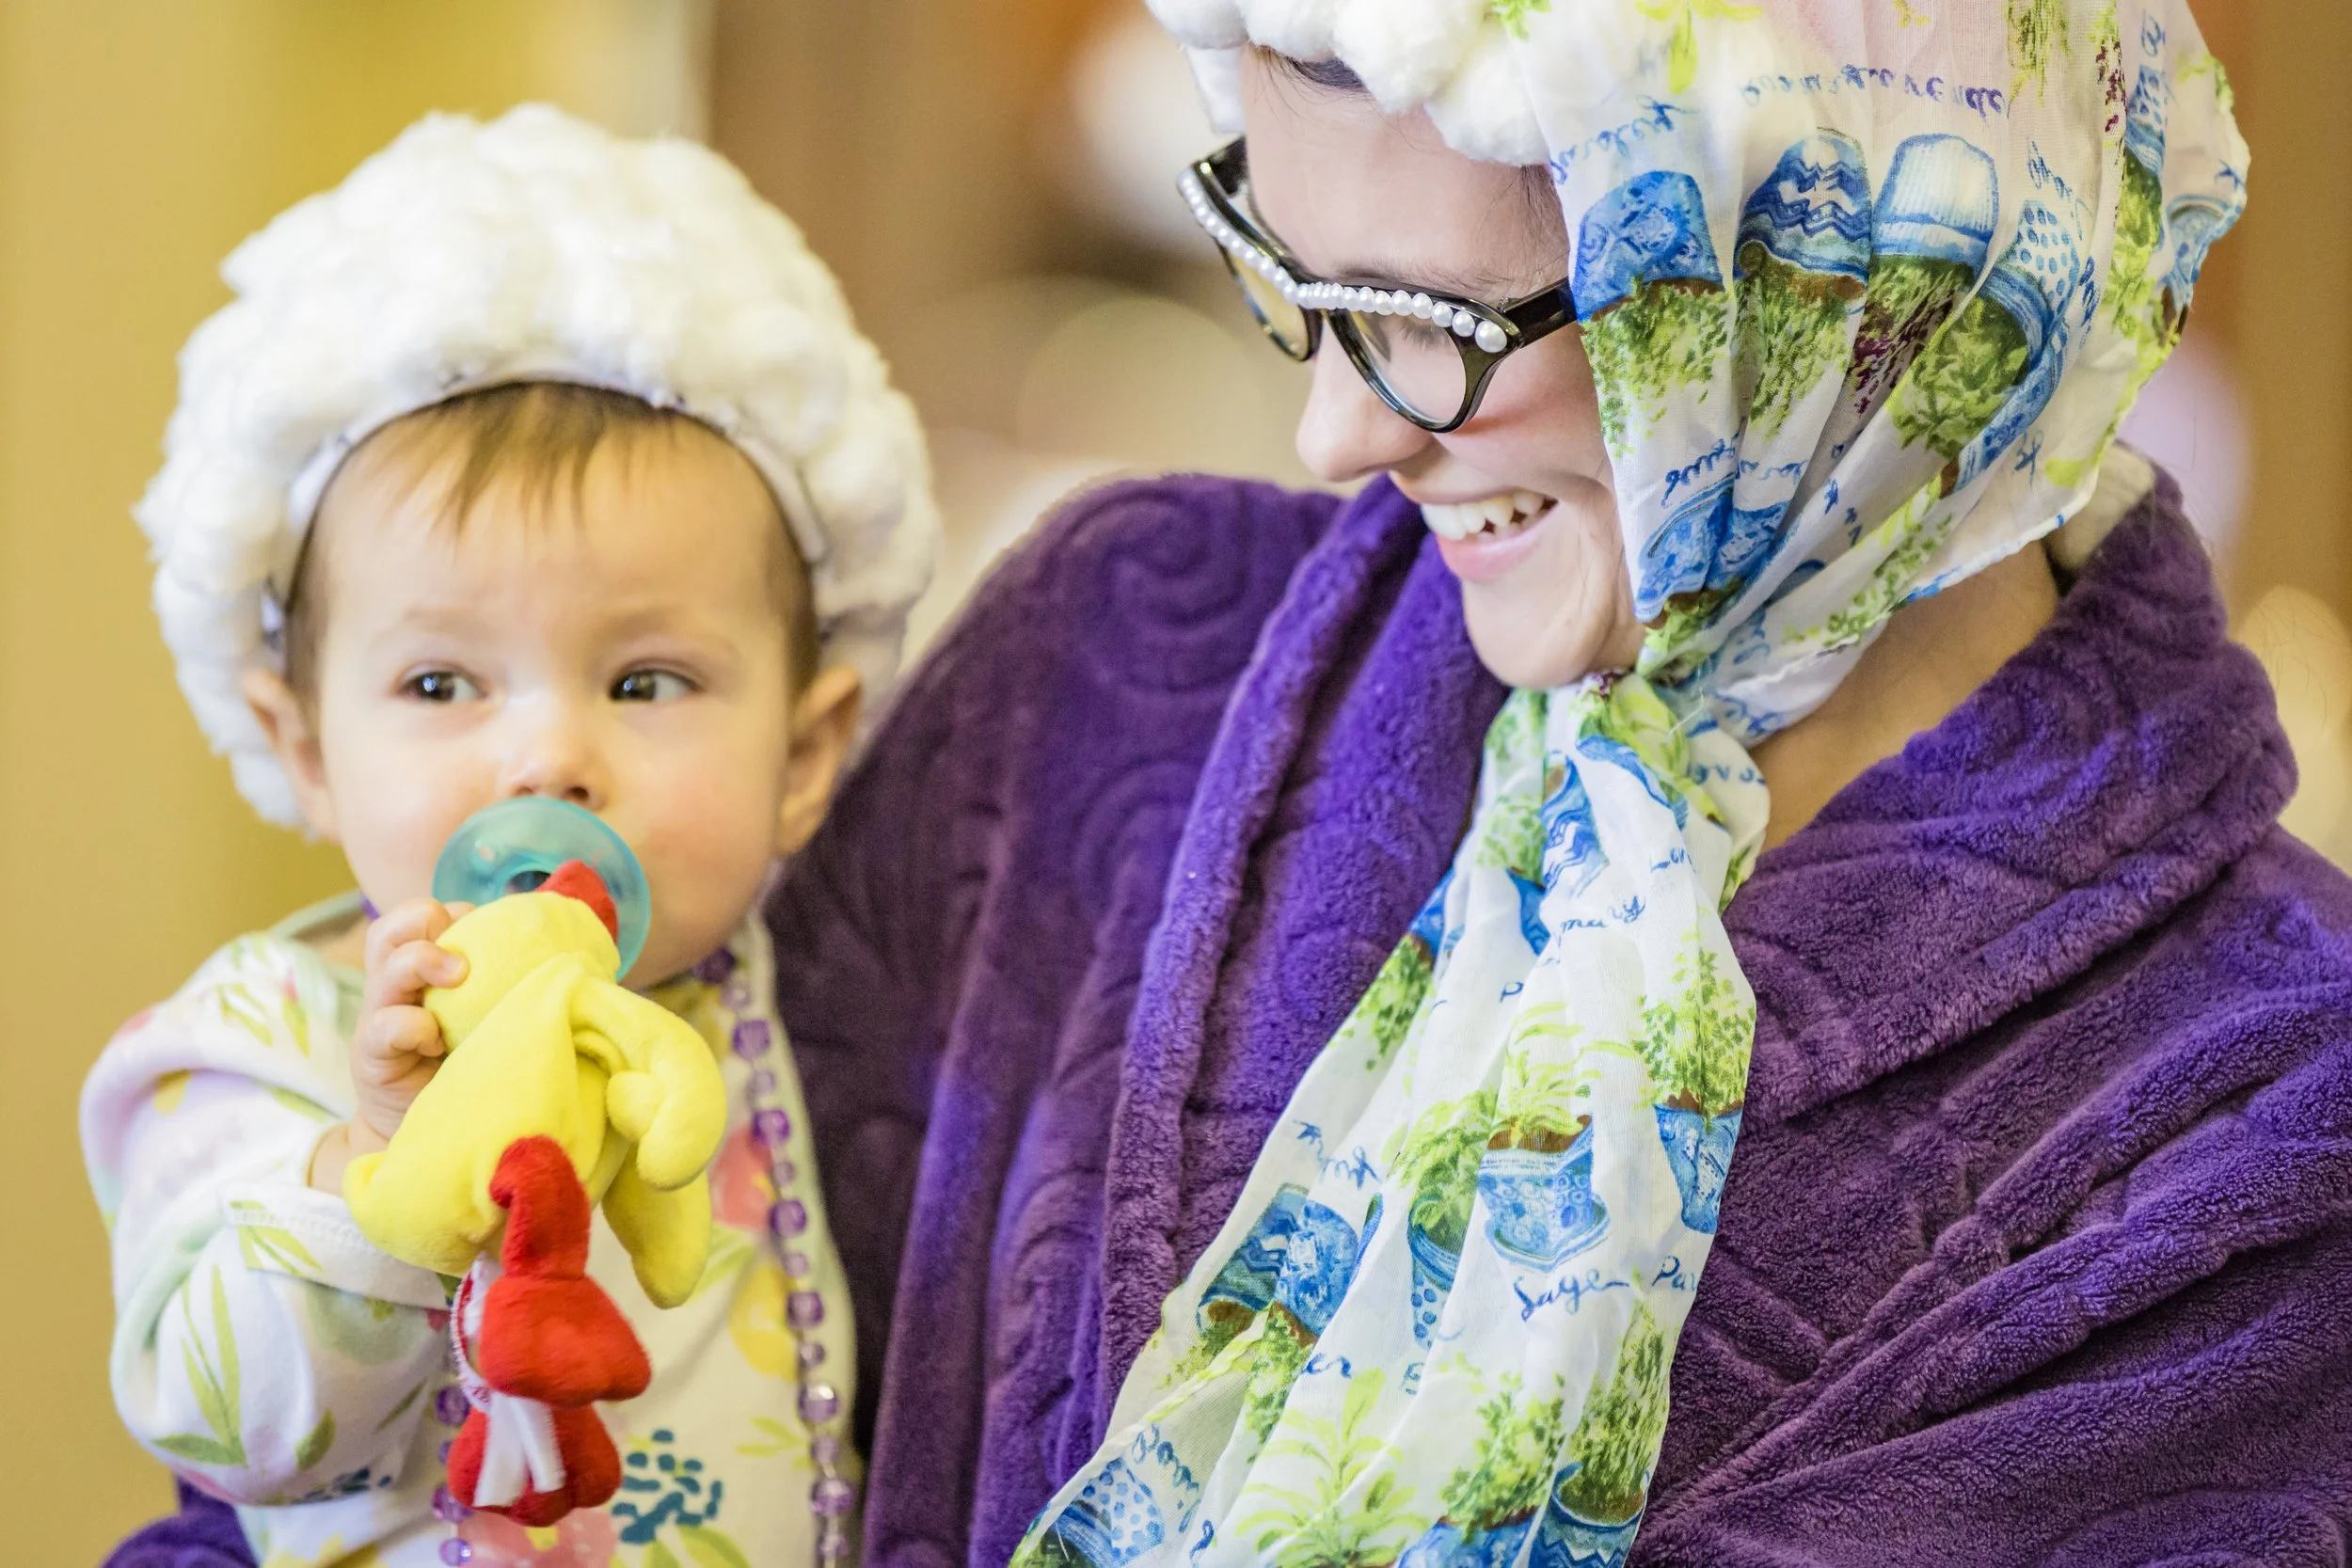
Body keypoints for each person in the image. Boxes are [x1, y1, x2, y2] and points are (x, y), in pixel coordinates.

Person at [765, 3, 2352, 1565]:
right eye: (1296, 281)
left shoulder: (2272, 1121)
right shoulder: (1097, 669)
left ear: (1851, 290)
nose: (1336, 435)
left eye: (1434, 325)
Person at [85, 106, 933, 1567]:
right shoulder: (249, 1039)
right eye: (440, 682)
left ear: (804, 753)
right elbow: (216, 1415)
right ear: (305, 747)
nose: (545, 753)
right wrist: (376, 1166)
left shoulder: (799, 1019)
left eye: (646, 680)